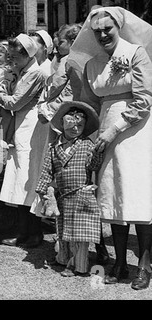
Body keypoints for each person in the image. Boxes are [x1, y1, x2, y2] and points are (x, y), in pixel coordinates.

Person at [70, 6, 152, 290]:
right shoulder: (92, 65)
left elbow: (143, 100)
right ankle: (118, 262)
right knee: (113, 195)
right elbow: (89, 104)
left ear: (118, 27)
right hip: (105, 132)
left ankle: (143, 265)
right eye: (98, 31)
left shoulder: (135, 53)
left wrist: (115, 129)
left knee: (137, 196)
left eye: (108, 29)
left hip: (135, 131)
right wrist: (87, 134)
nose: (103, 34)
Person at [0, 33, 48, 248]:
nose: (11, 60)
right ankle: (24, 232)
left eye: (14, 57)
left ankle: (34, 233)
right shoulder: (21, 71)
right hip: (22, 126)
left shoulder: (35, 73)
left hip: (32, 127)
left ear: (27, 55)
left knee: (29, 178)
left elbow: (14, 103)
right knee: (21, 180)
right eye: (10, 56)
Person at [36, 101, 104, 276]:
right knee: (63, 230)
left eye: (80, 126)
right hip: (62, 196)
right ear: (63, 124)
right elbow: (47, 170)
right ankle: (63, 258)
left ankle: (78, 265)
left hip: (81, 195)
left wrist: (97, 152)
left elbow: (93, 165)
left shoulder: (87, 144)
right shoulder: (54, 147)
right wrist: (43, 190)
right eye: (72, 125)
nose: (75, 129)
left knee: (80, 234)